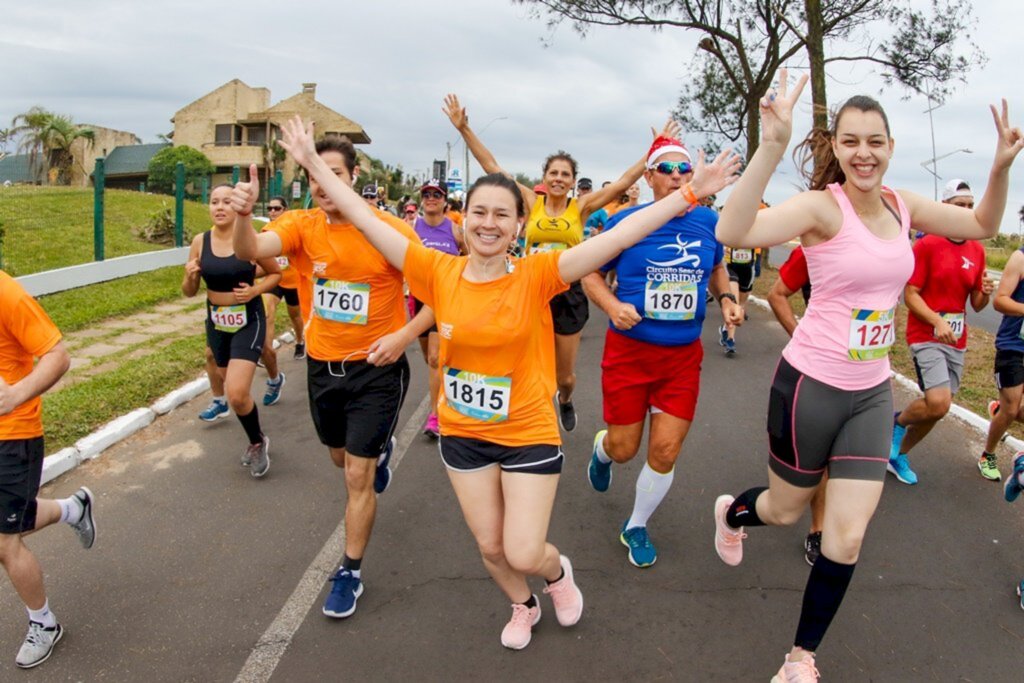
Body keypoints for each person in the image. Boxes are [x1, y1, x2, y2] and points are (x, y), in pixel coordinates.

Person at [277, 114, 740, 650]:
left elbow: (620, 234)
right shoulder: (436, 271)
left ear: (519, 226)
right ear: (463, 219)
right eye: (478, 213)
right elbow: (362, 214)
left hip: (526, 432)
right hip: (464, 435)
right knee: (492, 550)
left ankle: (556, 573)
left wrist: (688, 196)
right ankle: (522, 604)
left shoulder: (537, 275)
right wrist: (312, 162)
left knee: (523, 550)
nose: (488, 223)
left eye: (502, 215)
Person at [711, 69, 1021, 681]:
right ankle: (733, 514)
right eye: (851, 141)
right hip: (808, 389)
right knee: (784, 509)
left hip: (871, 395)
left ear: (890, 146)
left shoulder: (905, 207)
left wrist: (1000, 166)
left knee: (846, 539)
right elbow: (732, 231)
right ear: (838, 149)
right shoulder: (820, 210)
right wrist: (771, 147)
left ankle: (800, 658)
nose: (864, 153)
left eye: (875, 141)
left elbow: (983, 224)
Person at [229, 137, 435, 620]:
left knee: (357, 477)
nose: (324, 185)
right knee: (340, 459)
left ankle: (350, 571)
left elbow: (437, 295)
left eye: (334, 174)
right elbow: (253, 249)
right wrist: (243, 215)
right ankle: (373, 451)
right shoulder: (302, 225)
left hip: (376, 371)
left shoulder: (387, 229)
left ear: (355, 177)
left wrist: (403, 337)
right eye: (315, 176)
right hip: (323, 369)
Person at [444, 93, 680, 432]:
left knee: (564, 375)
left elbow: (625, 182)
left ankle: (565, 399)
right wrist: (465, 129)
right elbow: (492, 167)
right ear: (545, 176)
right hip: (528, 290)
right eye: (553, 173)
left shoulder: (580, 207)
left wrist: (655, 150)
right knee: (519, 361)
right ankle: (524, 418)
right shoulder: (530, 201)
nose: (558, 178)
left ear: (572, 181)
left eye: (565, 174)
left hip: (567, 292)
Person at [582, 135, 743, 568]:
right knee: (624, 449)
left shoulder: (709, 222)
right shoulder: (626, 222)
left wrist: (726, 298)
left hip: (681, 359)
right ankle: (603, 451)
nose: (676, 177)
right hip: (629, 355)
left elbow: (716, 266)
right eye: (666, 170)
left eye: (684, 170)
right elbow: (590, 273)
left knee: (666, 451)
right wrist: (613, 306)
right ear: (650, 176)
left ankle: (635, 525)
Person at [0, 270, 94, 669]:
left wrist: (14, 396)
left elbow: (58, 354)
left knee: (4, 541)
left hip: (11, 433)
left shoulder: (5, 292)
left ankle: (45, 624)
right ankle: (73, 509)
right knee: (12, 522)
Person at [888, 179, 993, 484]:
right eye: (960, 206)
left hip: (956, 339)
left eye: (971, 206)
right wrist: (936, 320)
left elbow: (976, 303)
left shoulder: (976, 249)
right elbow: (911, 294)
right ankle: (897, 422)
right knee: (939, 402)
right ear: (945, 207)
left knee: (939, 408)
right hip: (926, 334)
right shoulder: (928, 244)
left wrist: (984, 291)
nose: (966, 211)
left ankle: (899, 454)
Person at [182, 184, 280, 477]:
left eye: (227, 201)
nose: (220, 207)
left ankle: (257, 442)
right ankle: (256, 438)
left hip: (248, 319)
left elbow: (277, 273)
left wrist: (254, 291)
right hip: (216, 321)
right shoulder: (201, 241)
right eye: (214, 202)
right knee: (231, 390)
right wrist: (189, 277)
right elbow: (189, 292)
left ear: (237, 207)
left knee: (237, 394)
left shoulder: (250, 240)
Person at [766, 245, 826, 566]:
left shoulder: (882, 245)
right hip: (816, 370)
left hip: (864, 372)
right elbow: (777, 294)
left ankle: (829, 527)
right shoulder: (812, 250)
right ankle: (818, 529)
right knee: (818, 464)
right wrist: (801, 336)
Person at [409, 178, 465, 438]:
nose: (431, 198)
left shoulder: (455, 230)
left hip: (445, 302)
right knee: (430, 359)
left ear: (444, 200)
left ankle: (435, 416)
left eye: (436, 194)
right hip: (418, 300)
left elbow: (467, 258)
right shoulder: (411, 228)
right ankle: (443, 391)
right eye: (427, 194)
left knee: (434, 358)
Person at [980, 239, 1024, 482]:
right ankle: (988, 455)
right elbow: (1000, 300)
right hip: (1013, 346)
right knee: (1012, 407)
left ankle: (1000, 411)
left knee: (1015, 409)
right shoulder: (1019, 258)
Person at [718, 244, 760, 354]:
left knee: (740, 306)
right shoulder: (728, 228)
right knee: (734, 302)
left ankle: (725, 328)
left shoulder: (752, 230)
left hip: (748, 268)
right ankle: (730, 339)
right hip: (730, 266)